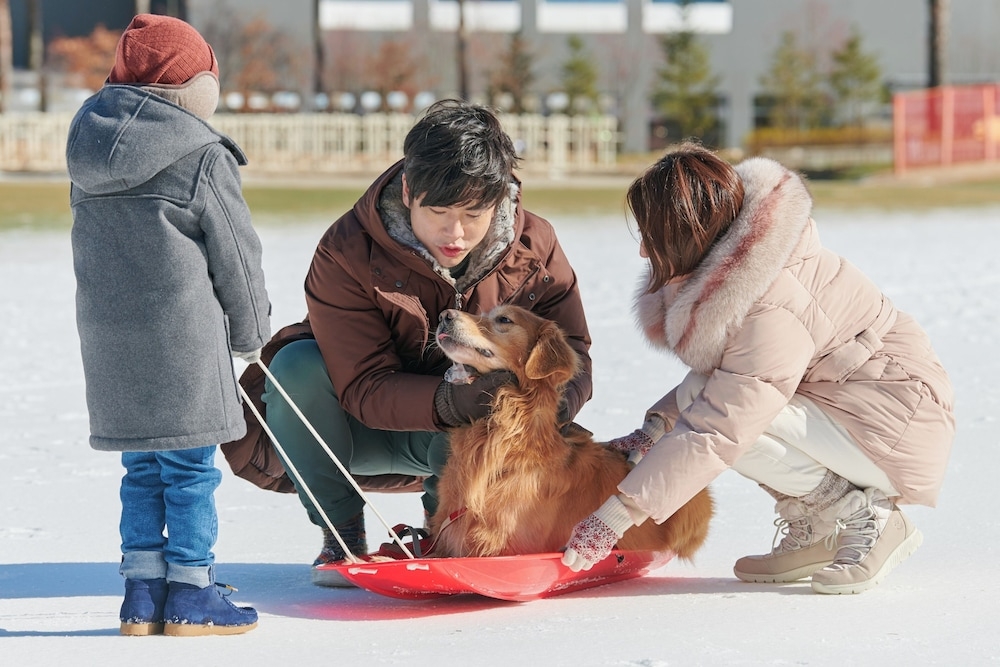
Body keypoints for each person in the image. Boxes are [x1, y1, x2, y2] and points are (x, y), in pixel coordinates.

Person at [222, 99, 593, 587]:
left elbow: (572, 355)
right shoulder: (347, 251)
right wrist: (450, 401)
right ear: (407, 191)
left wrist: (544, 409)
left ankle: (446, 536)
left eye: (474, 213)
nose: (455, 233)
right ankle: (341, 536)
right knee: (296, 365)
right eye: (438, 211)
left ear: (500, 198)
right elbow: (363, 385)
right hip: (358, 431)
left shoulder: (535, 247)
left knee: (494, 401)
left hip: (477, 443)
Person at [561, 143, 955, 595]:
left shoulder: (769, 303)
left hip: (897, 427)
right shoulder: (747, 267)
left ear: (688, 234)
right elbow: (729, 382)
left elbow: (721, 426)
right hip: (855, 408)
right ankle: (819, 529)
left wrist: (617, 516)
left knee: (732, 423)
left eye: (652, 236)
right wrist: (652, 432)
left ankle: (864, 515)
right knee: (706, 399)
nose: (643, 252)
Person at [68, 14, 270, 635]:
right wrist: (251, 333)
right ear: (192, 86)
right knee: (189, 472)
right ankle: (190, 590)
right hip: (183, 341)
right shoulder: (202, 155)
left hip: (110, 341)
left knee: (141, 469)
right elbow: (236, 254)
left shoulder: (86, 149)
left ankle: (141, 593)